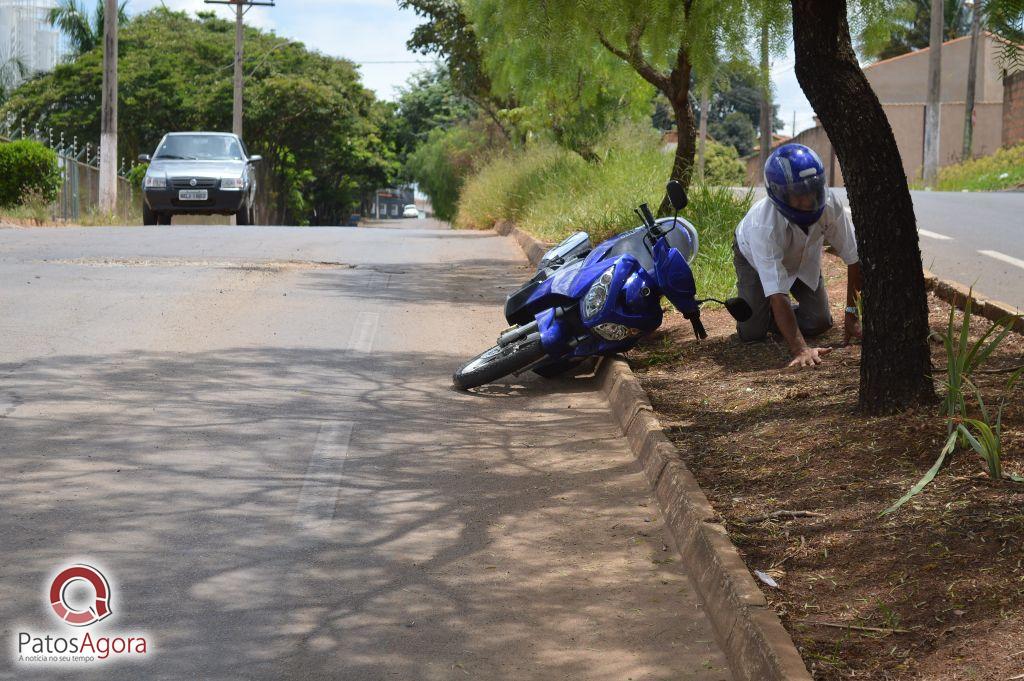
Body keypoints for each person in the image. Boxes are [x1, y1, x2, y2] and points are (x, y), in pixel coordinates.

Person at [733, 143, 862, 368]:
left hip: (802, 259)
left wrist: (852, 313)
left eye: (812, 191)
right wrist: (800, 348)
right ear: (780, 193)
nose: (808, 201)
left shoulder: (830, 205)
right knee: (753, 332)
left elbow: (853, 259)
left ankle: (776, 316)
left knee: (819, 321)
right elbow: (778, 293)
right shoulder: (764, 226)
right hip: (753, 259)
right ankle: (763, 312)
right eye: (798, 195)